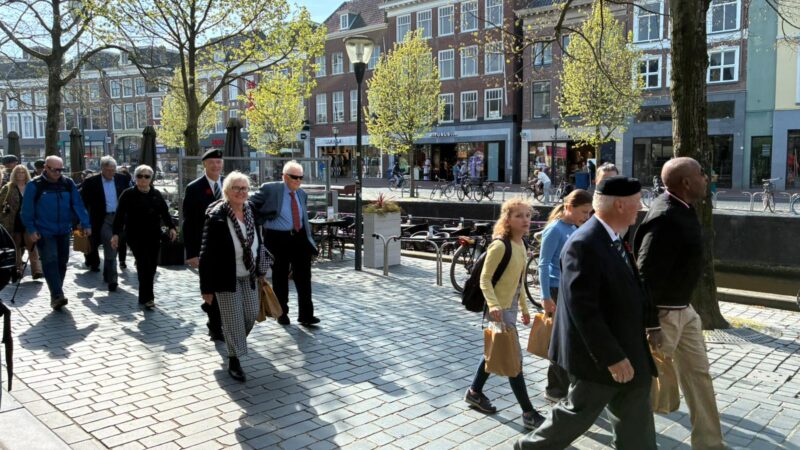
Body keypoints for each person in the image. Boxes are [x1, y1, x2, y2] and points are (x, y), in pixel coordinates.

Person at [516, 176, 657, 450]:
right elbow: (583, 308)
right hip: (601, 358)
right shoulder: (585, 243)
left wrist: (652, 324)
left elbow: (632, 285)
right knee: (575, 415)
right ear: (619, 205)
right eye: (638, 201)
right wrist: (612, 357)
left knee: (635, 423)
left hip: (628, 349)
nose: (641, 207)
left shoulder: (613, 237)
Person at [634, 157, 727, 450]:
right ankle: (630, 437)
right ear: (686, 182)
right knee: (647, 385)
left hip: (684, 311)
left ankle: (710, 444)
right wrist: (651, 324)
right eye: (701, 173)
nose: (706, 177)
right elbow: (644, 275)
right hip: (663, 317)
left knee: (699, 376)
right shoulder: (665, 217)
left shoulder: (684, 207)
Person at [464, 197, 546, 430]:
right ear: (507, 219)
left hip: (509, 309)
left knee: (496, 351)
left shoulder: (522, 245)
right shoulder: (500, 245)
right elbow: (485, 279)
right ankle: (528, 413)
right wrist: (493, 305)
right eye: (519, 216)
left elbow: (519, 282)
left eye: (528, 215)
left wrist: (524, 309)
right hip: (498, 311)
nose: (525, 220)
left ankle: (474, 392)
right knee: (513, 360)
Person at [199, 172, 269, 381]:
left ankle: (234, 341)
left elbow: (260, 240)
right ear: (227, 191)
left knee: (251, 313)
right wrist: (206, 288)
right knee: (233, 319)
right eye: (236, 188)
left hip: (249, 274)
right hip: (225, 276)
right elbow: (206, 254)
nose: (241, 192)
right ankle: (234, 359)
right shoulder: (217, 216)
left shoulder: (251, 211)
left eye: (244, 188)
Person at [536, 189, 593, 402]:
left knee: (570, 339)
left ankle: (567, 386)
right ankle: (555, 389)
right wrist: (545, 297)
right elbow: (543, 264)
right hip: (555, 289)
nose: (586, 217)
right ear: (569, 207)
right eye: (583, 212)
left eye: (589, 213)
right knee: (561, 340)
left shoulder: (573, 227)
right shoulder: (555, 229)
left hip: (568, 289)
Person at [251, 160, 318, 326]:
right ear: (285, 176)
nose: (298, 180)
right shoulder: (271, 189)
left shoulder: (302, 194)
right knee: (280, 277)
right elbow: (250, 204)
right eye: (294, 177)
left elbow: (302, 216)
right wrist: (262, 219)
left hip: (300, 238)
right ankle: (281, 314)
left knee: (304, 278)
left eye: (300, 177)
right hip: (278, 238)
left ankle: (306, 315)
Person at [20, 156, 91, 310]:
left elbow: (78, 204)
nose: (58, 173)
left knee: (62, 262)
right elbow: (26, 211)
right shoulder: (34, 185)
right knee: (50, 260)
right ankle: (57, 294)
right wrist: (31, 229)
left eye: (61, 170)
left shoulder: (68, 183)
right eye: (54, 170)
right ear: (46, 167)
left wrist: (86, 223)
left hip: (64, 230)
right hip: (44, 231)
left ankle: (56, 292)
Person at [111, 165, 176, 308]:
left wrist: (171, 227)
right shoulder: (128, 194)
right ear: (135, 178)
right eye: (140, 176)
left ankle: (143, 296)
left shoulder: (156, 194)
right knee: (143, 263)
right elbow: (119, 216)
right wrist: (115, 234)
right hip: (134, 235)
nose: (143, 179)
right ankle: (148, 298)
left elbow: (165, 212)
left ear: (151, 178)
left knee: (151, 266)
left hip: (154, 235)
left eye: (147, 176)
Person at [183, 148, 225, 340]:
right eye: (212, 162)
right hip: (205, 246)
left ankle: (212, 312)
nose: (216, 166)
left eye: (218, 162)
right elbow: (189, 223)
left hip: (228, 245)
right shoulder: (194, 188)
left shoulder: (229, 184)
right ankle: (215, 326)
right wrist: (191, 252)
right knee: (210, 285)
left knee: (224, 285)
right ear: (204, 165)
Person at [80, 156, 132, 292]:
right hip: (102, 219)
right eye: (108, 170)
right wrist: (83, 222)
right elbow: (82, 203)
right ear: (102, 169)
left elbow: (129, 198)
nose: (111, 173)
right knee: (111, 244)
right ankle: (113, 279)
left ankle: (108, 274)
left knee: (114, 247)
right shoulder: (91, 182)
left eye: (113, 170)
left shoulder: (122, 179)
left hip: (119, 218)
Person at [0, 165, 42, 279]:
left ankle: (36, 270)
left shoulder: (31, 186)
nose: (20, 174)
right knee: (16, 245)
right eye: (18, 172)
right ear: (14, 174)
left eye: (23, 172)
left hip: (29, 220)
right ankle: (18, 269)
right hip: (13, 220)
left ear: (26, 174)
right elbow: (1, 204)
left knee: (31, 243)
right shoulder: (8, 187)